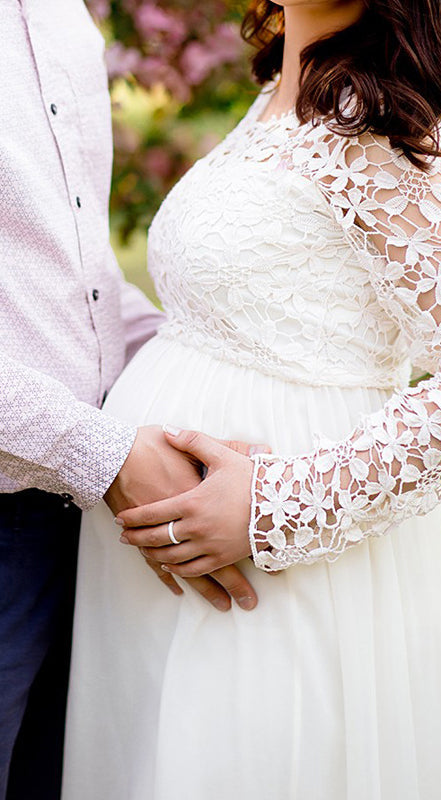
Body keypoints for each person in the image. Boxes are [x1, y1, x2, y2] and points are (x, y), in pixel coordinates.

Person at [62, 0, 441, 797]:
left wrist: (274, 506)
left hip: (269, 581)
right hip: (165, 584)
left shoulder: (372, 131)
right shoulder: (282, 97)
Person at [0, 3, 259, 798]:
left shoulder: (58, 13)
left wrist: (222, 392)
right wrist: (104, 452)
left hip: (85, 529)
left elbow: (74, 273)